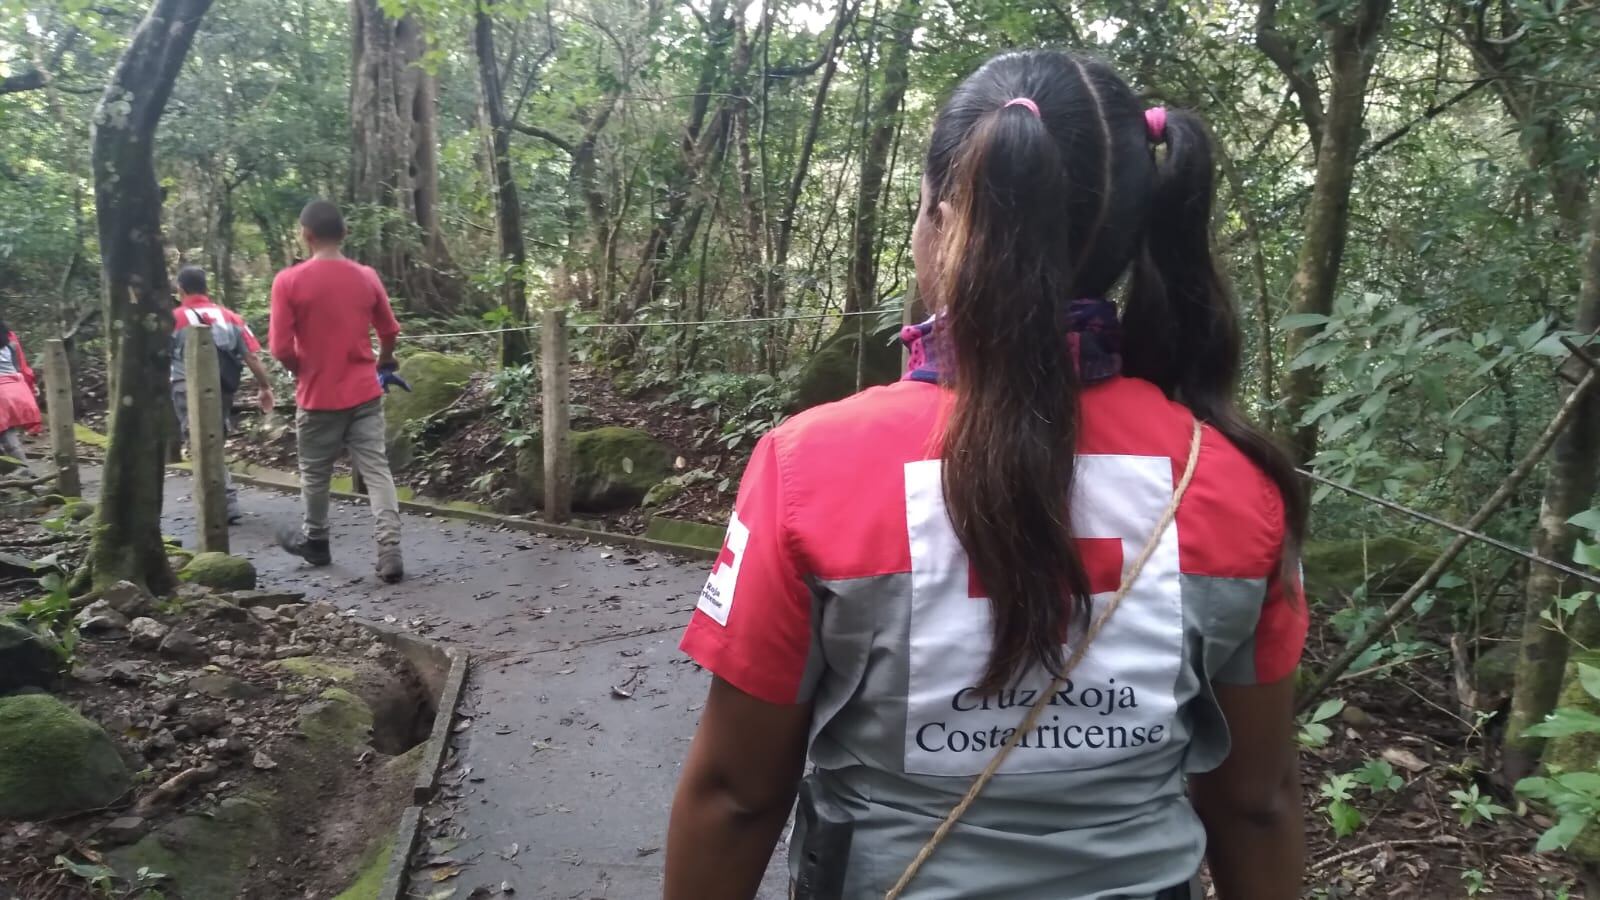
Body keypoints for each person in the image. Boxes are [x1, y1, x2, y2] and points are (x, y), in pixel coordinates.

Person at [665, 50, 1308, 900]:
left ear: (938, 217)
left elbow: (739, 796)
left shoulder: (808, 467)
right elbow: (1255, 805)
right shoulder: (1235, 480)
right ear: (1136, 231)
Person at [269, 200, 405, 584]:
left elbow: (279, 347)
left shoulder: (288, 281)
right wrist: (385, 361)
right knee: (377, 471)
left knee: (315, 474)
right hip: (364, 392)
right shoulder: (366, 276)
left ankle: (317, 541)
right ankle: (389, 548)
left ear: (305, 236)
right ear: (344, 234)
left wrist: (304, 371)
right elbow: (390, 331)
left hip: (317, 397)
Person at [170, 266, 275, 524]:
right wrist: (265, 387)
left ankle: (223, 503)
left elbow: (156, 358)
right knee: (213, 441)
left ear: (180, 289)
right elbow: (250, 356)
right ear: (206, 288)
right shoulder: (231, 318)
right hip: (223, 387)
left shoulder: (173, 318)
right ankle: (218, 500)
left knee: (199, 444)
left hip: (186, 386)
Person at [0, 319, 40, 470]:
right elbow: (22, 366)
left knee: (7, 438)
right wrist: (31, 386)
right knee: (6, 435)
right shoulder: (9, 336)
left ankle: (26, 476)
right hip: (13, 388)